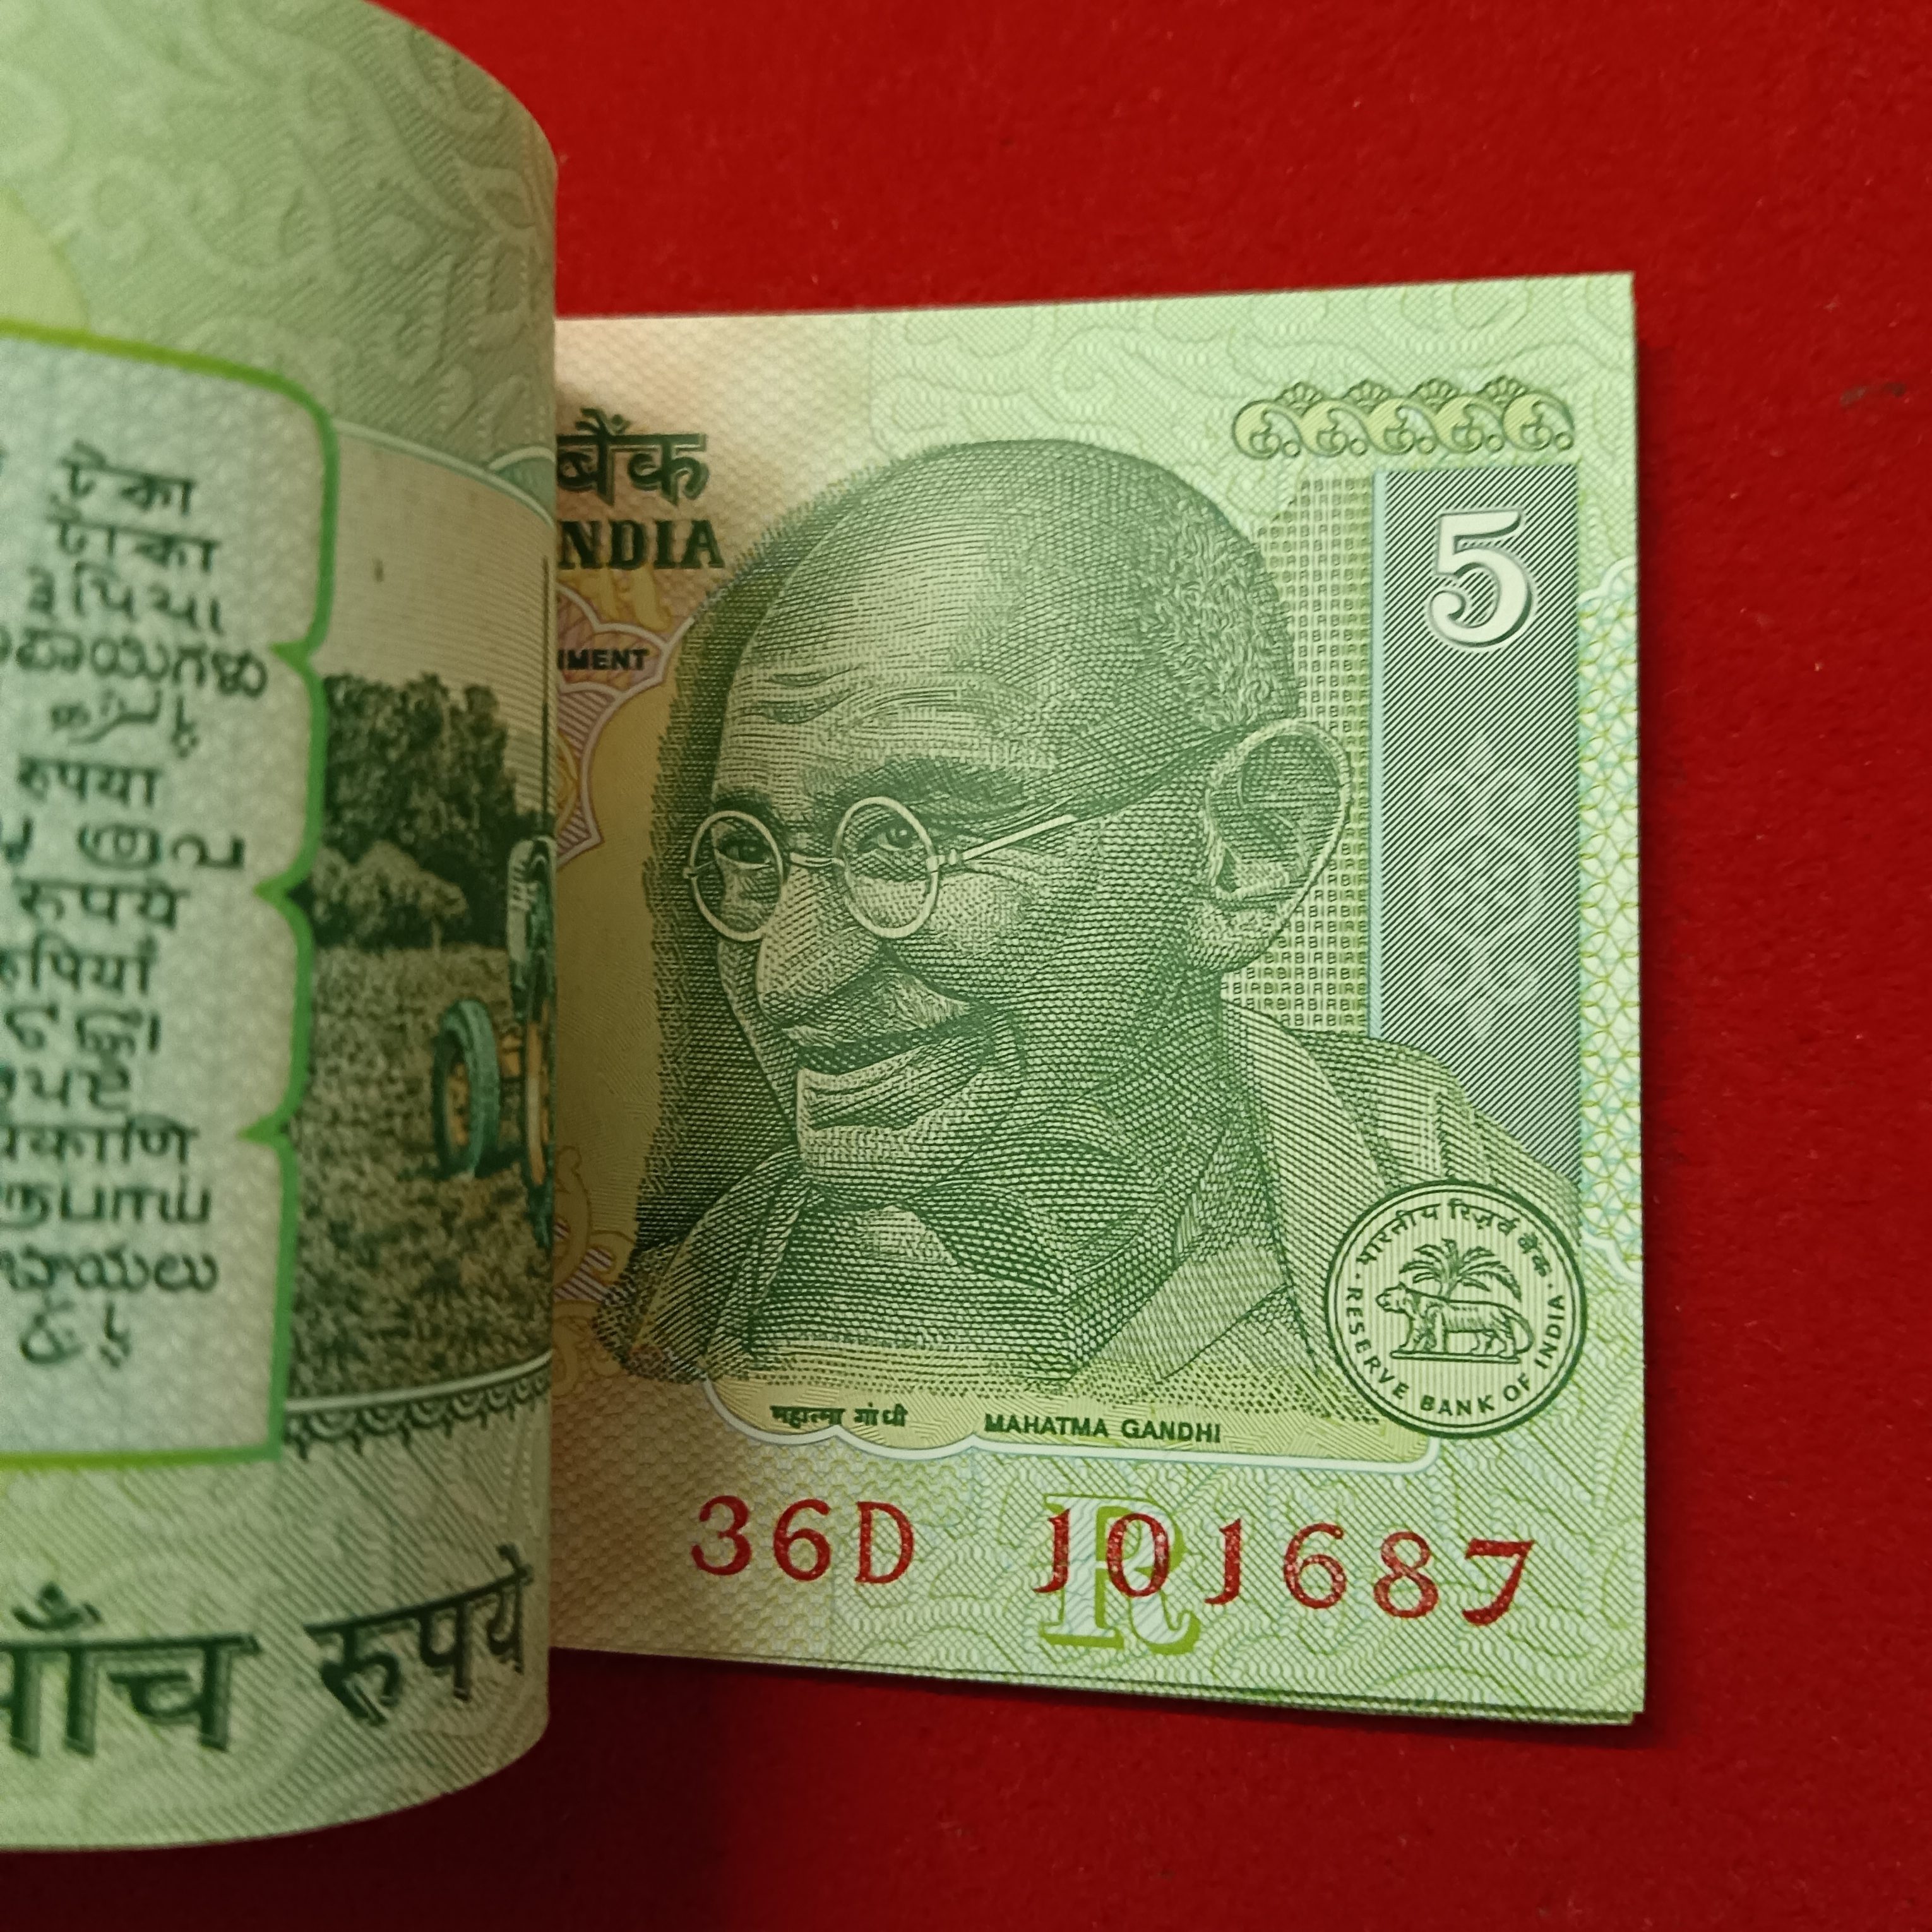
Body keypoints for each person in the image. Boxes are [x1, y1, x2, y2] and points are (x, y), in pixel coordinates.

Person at [597, 438, 1569, 1411]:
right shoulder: (660, 1327)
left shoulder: (1471, 1225)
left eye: (916, 841)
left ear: (1247, 848)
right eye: (752, 854)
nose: (788, 981)